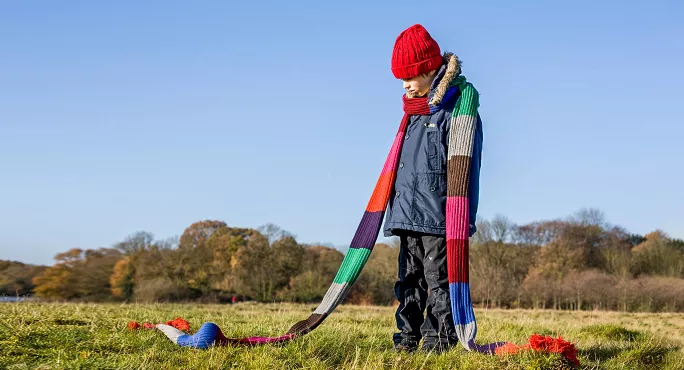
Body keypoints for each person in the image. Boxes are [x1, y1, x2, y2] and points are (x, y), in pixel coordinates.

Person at [384, 24, 483, 353]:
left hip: (440, 216)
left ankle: (439, 343)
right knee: (408, 282)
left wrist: (463, 216)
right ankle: (407, 341)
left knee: (439, 283)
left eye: (409, 77)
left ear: (429, 69)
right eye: (401, 79)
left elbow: (467, 170)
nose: (405, 86)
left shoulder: (457, 111)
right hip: (408, 214)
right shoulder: (413, 114)